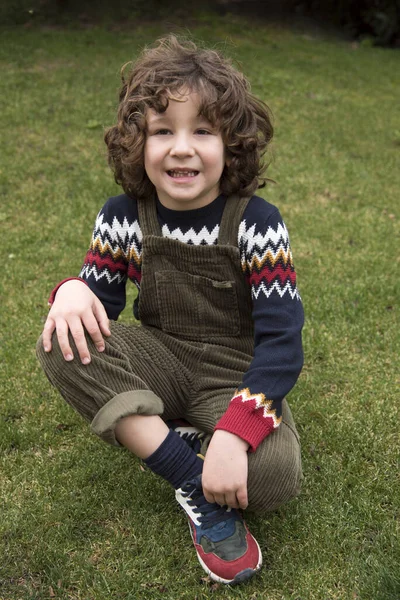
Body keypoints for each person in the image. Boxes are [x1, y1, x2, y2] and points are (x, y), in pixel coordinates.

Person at [37, 34, 304, 585]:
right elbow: (98, 309)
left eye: (202, 131)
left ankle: (181, 436)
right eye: (163, 132)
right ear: (138, 144)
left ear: (232, 145)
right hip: (162, 357)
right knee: (64, 346)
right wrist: (70, 290)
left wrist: (234, 432)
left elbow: (282, 343)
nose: (182, 148)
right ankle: (192, 479)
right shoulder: (124, 215)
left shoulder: (258, 221)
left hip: (232, 374)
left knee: (276, 477)